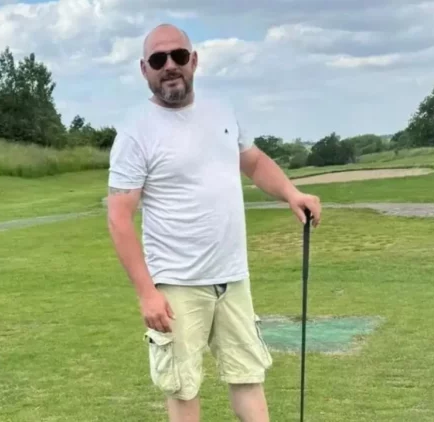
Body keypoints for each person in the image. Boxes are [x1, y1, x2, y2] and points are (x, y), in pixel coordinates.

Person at [106, 23, 322, 422]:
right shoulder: (136, 131)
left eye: (178, 56)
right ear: (144, 69)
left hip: (233, 278)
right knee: (183, 388)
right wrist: (146, 293)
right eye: (158, 59)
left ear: (194, 60)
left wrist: (292, 193)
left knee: (248, 377)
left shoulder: (221, 110)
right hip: (176, 284)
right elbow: (119, 217)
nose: (169, 66)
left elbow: (253, 162)